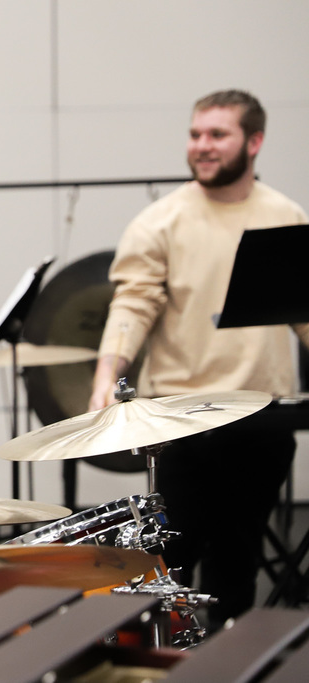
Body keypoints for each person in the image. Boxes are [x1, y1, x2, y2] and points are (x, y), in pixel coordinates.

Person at [88, 89, 309, 629]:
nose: (202, 145)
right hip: (180, 422)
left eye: (217, 134)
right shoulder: (160, 221)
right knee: (174, 565)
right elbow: (132, 304)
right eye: (195, 134)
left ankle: (231, 660)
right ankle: (171, 660)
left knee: (237, 563)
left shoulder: (284, 215)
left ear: (254, 142)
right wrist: (105, 377)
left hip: (261, 417)